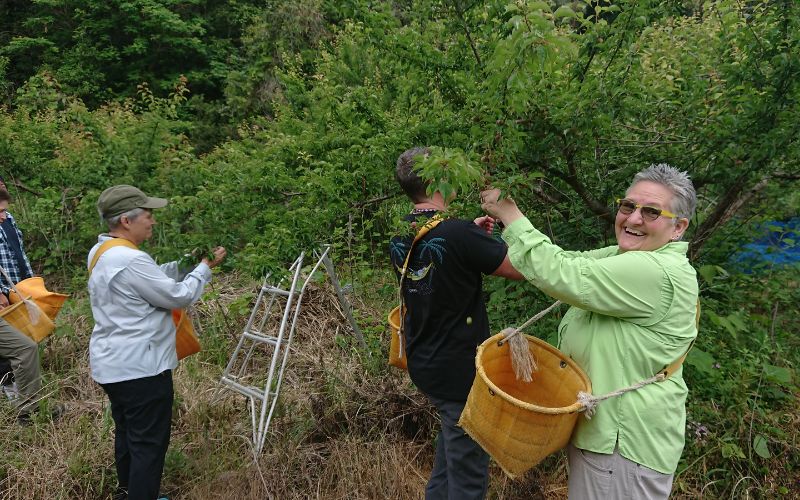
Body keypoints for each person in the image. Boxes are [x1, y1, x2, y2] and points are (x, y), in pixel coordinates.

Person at [480, 163, 698, 500]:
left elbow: (564, 273)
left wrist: (509, 212)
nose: (634, 218)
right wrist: (484, 239)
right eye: (628, 206)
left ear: (678, 227)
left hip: (624, 442)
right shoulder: (621, 256)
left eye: (651, 212)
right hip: (606, 437)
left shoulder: (656, 271)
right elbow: (559, 261)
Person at [390, 147, 523, 500]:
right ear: (437, 180)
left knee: (450, 454)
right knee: (467, 475)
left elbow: (440, 263)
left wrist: (473, 236)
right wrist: (499, 228)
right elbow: (522, 269)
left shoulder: (400, 234)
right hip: (459, 370)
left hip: (426, 362)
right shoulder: (459, 234)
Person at [88, 185, 226, 500]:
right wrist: (205, 267)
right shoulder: (130, 259)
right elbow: (179, 295)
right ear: (126, 220)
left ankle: (129, 493)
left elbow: (154, 279)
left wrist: (187, 262)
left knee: (128, 437)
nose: (152, 222)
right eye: (148, 216)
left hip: (115, 366)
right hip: (142, 370)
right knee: (149, 444)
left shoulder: (102, 251)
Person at [0, 185, 45, 420]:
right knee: (23, 348)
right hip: (4, 295)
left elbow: (18, 255)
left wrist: (29, 284)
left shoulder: (9, 219)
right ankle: (29, 412)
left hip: (16, 292)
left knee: (22, 343)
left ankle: (23, 403)